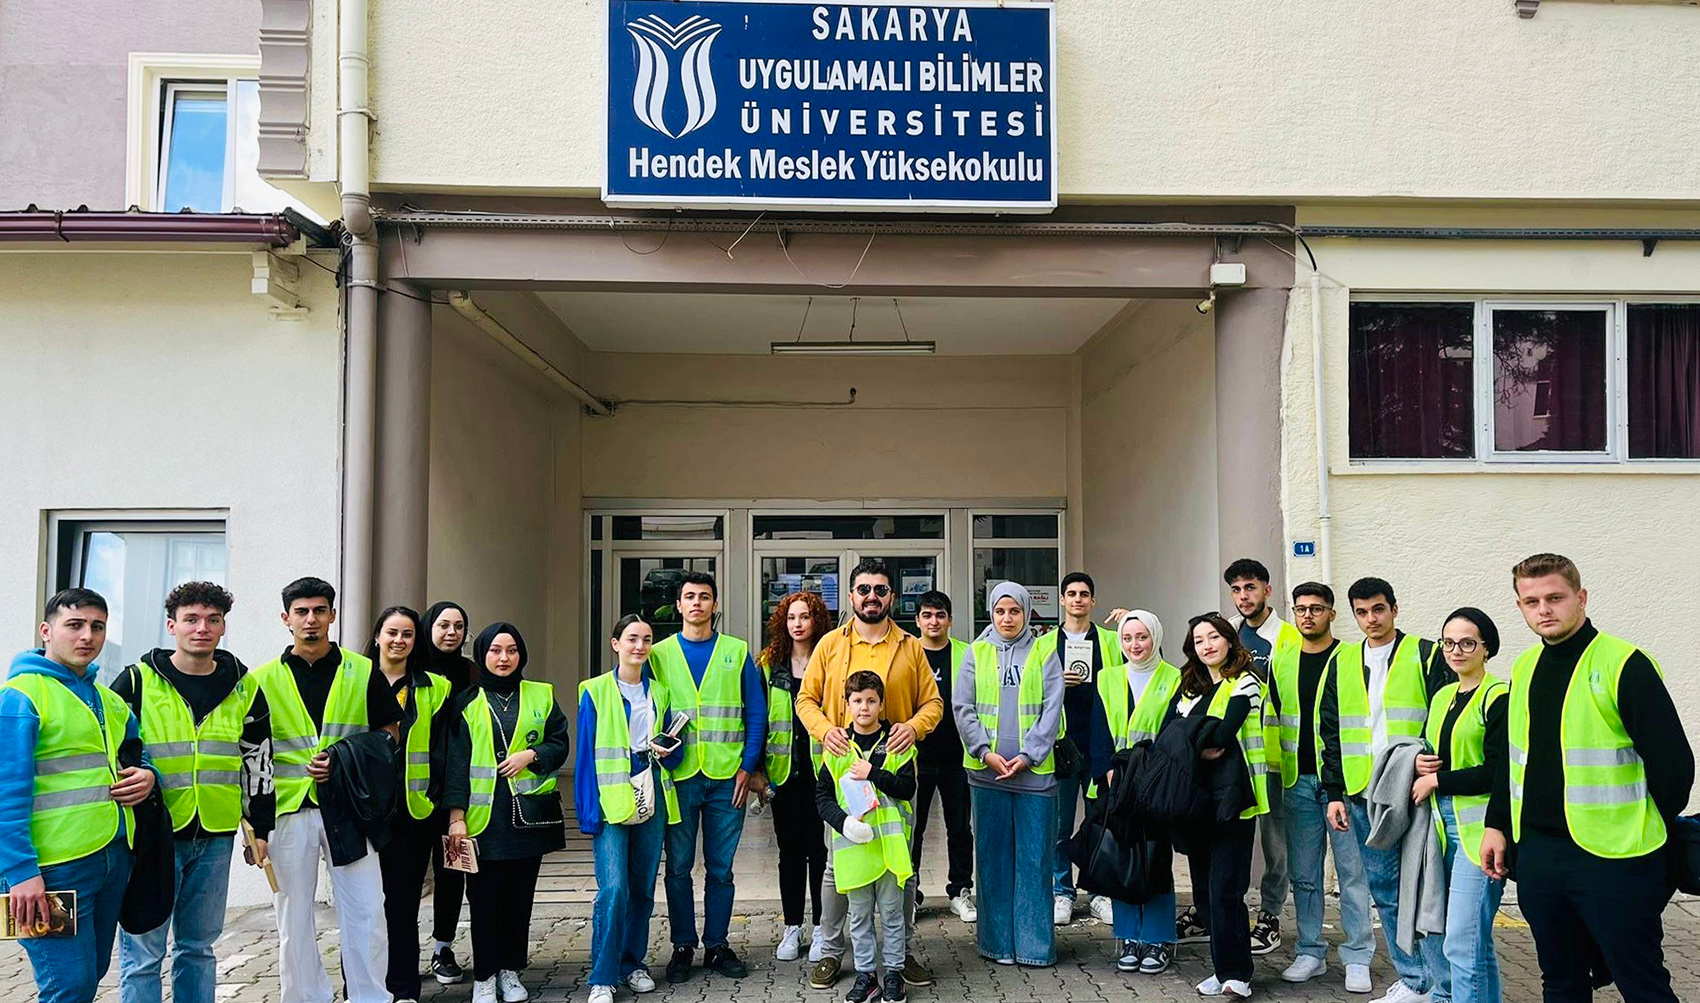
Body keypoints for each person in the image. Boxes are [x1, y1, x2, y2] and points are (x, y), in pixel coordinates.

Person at [1482, 554, 1694, 1003]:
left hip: (1616, 858)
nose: (1544, 609)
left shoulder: (1624, 664)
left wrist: (1643, 829)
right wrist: (1496, 823)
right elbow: (1511, 759)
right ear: (1519, 606)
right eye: (1532, 601)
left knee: (1642, 982)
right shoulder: (1524, 668)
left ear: (1580, 598)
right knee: (1560, 980)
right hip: (1539, 853)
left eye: (1555, 598)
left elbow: (1675, 767)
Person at [112, 581, 275, 1003]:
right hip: (150, 838)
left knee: (198, 949)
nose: (201, 628)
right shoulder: (136, 681)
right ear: (172, 625)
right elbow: (111, 750)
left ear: (223, 628)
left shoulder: (245, 686)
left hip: (215, 837)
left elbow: (259, 763)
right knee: (144, 953)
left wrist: (260, 827)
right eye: (191, 619)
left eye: (212, 620)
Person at [0, 589, 157, 1003]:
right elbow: (4, 793)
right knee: (69, 986)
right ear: (47, 631)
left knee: (91, 975)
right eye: (75, 625)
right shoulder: (20, 697)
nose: (87, 635)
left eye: (97, 626)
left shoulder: (110, 700)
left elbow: (140, 756)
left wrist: (148, 776)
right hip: (50, 871)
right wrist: (19, 874)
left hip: (110, 858)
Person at [252, 577, 403, 1003]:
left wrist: (344, 757)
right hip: (288, 809)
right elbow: (251, 754)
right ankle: (303, 998)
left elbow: (390, 732)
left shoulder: (363, 670)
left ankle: (371, 997)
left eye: (319, 610)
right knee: (293, 918)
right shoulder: (260, 680)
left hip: (350, 807)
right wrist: (254, 824)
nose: (311, 620)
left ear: (333, 616)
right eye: (301, 612)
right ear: (286, 619)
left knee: (368, 911)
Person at [799, 559, 942, 991]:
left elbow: (933, 704)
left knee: (902, 866)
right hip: (842, 773)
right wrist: (826, 732)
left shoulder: (911, 646)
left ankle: (902, 954)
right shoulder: (829, 645)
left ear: (891, 597)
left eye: (880, 590)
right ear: (851, 595)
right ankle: (830, 951)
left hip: (895, 773)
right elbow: (806, 700)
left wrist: (913, 727)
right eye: (864, 589)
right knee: (836, 866)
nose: (872, 597)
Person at [1319, 577, 1453, 1003]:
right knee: (1383, 888)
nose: (1370, 619)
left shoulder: (1427, 653)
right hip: (1362, 793)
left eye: (1378, 609)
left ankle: (1443, 985)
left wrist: (1433, 769)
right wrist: (1334, 791)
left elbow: (1448, 713)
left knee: (1427, 891)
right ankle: (1415, 980)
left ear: (1394, 608)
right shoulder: (1341, 661)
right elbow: (1331, 730)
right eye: (1361, 612)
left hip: (1414, 791)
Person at [648, 571, 766, 984]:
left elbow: (755, 712)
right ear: (678, 606)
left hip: (726, 777)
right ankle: (683, 944)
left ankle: (717, 944)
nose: (697, 603)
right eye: (689, 597)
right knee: (678, 867)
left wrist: (748, 767)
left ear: (715, 606)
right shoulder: (658, 654)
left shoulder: (736, 650)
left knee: (720, 868)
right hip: (678, 777)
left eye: (704, 597)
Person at [445, 621, 571, 1003]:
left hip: (527, 818)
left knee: (519, 900)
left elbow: (560, 742)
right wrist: (456, 816)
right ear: (482, 654)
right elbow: (454, 762)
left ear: (522, 655)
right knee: (483, 901)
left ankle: (510, 971)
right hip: (482, 821)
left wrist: (533, 756)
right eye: (496, 650)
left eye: (512, 650)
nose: (504, 658)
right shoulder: (465, 701)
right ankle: (484, 975)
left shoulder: (541, 694)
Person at [1269, 582, 1374, 995]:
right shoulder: (1283, 660)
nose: (1307, 615)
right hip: (1297, 780)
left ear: (1332, 614)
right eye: (1300, 609)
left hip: (1344, 783)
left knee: (1352, 873)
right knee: (1305, 874)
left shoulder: (1353, 657)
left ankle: (1359, 955)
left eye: (1316, 608)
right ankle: (1310, 951)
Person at [576, 614, 687, 1003]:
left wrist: (669, 750)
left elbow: (676, 752)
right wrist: (588, 812)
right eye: (632, 639)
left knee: (641, 889)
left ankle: (632, 963)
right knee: (614, 889)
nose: (640, 646)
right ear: (615, 644)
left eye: (646, 640)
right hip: (611, 798)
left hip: (652, 792)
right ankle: (602, 976)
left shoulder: (661, 692)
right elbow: (587, 757)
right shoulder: (594, 690)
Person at [954, 582, 1063, 968]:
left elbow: (1052, 708)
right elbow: (962, 707)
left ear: (1027, 612)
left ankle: (1035, 948)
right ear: (990, 613)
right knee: (993, 858)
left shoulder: (1045, 651)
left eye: (1014, 611)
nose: (1007, 618)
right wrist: (984, 753)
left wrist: (1029, 755)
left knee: (1035, 861)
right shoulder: (975, 652)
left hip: (1035, 775)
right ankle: (996, 943)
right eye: (1000, 611)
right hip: (987, 774)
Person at [1415, 609, 1507, 1003]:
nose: (1456, 650)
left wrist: (1438, 779)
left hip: (1482, 831)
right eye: (1448, 642)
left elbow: (1498, 770)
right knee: (1474, 943)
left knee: (1460, 942)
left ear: (1486, 648)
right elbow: (1437, 751)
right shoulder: (1442, 696)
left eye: (1467, 643)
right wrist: (1422, 762)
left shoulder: (1498, 696)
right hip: (1443, 826)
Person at [1174, 613, 1268, 999]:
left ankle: (1238, 974)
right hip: (1195, 800)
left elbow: (1225, 731)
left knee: (1227, 889)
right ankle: (1221, 968)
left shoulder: (1246, 681)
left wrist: (1194, 736)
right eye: (1199, 640)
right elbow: (1173, 733)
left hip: (1234, 799)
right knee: (1203, 894)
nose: (1207, 644)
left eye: (1214, 636)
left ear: (1229, 640)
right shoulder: (1190, 689)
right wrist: (1197, 740)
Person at [816, 671, 919, 1003]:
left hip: (889, 851)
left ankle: (893, 974)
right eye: (857, 701)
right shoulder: (836, 749)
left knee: (891, 914)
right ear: (846, 705)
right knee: (859, 916)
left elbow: (907, 788)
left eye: (871, 701)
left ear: (881, 703)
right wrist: (843, 823)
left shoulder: (897, 744)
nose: (864, 707)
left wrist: (872, 773)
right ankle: (865, 976)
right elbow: (822, 798)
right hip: (854, 850)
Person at [369, 605, 454, 1003]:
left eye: (407, 634)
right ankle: (364, 987)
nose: (399, 640)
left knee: (402, 906)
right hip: (364, 811)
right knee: (366, 908)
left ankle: (403, 989)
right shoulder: (354, 682)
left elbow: (445, 750)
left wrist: (441, 798)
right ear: (377, 636)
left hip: (414, 812)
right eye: (392, 632)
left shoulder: (436, 687)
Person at [1094, 610, 1181, 976]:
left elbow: (1174, 732)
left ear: (1156, 637)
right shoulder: (1106, 677)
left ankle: (1159, 939)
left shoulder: (1174, 677)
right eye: (1127, 638)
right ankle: (1129, 936)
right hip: (1116, 782)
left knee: (1156, 860)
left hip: (1154, 784)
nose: (1134, 645)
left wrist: (1150, 775)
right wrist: (1108, 770)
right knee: (1121, 858)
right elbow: (1098, 729)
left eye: (1142, 637)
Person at [754, 591, 833, 964]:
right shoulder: (769, 665)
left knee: (820, 852)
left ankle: (821, 927)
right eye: (791, 618)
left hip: (823, 772)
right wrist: (756, 771)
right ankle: (792, 926)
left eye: (805, 616)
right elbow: (756, 719)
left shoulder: (831, 660)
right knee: (790, 852)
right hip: (784, 773)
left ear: (817, 620)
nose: (798, 624)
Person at [1225, 558, 1298, 957]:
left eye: (1250, 587)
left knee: (1275, 843)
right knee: (1231, 837)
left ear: (1267, 590)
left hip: (1272, 759)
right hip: (1233, 758)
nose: (1243, 596)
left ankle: (1270, 914)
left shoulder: (1287, 637)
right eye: (1236, 590)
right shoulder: (1228, 633)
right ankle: (1224, 911)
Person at [1044, 572, 1124, 927]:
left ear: (1093, 601)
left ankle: (1099, 892)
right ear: (1062, 600)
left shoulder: (1109, 639)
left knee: (1098, 822)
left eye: (1084, 594)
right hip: (1060, 746)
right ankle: (1062, 891)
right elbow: (1032, 690)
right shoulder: (1045, 643)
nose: (1078, 599)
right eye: (1071, 594)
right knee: (1058, 826)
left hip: (1098, 745)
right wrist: (1053, 683)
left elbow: (1145, 652)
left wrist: (1130, 619)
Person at [911, 590, 975, 924]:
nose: (933, 621)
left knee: (959, 827)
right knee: (913, 828)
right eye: (927, 615)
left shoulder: (966, 654)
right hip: (915, 758)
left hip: (957, 757)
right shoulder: (908, 653)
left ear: (949, 619)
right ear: (918, 620)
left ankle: (960, 890)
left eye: (940, 615)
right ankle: (911, 892)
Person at [422, 599, 476, 985]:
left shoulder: (472, 673)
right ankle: (402, 950)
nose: (451, 633)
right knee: (405, 878)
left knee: (452, 871)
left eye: (458, 626)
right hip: (411, 792)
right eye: (443, 625)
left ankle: (443, 947)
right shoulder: (411, 669)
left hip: (457, 793)